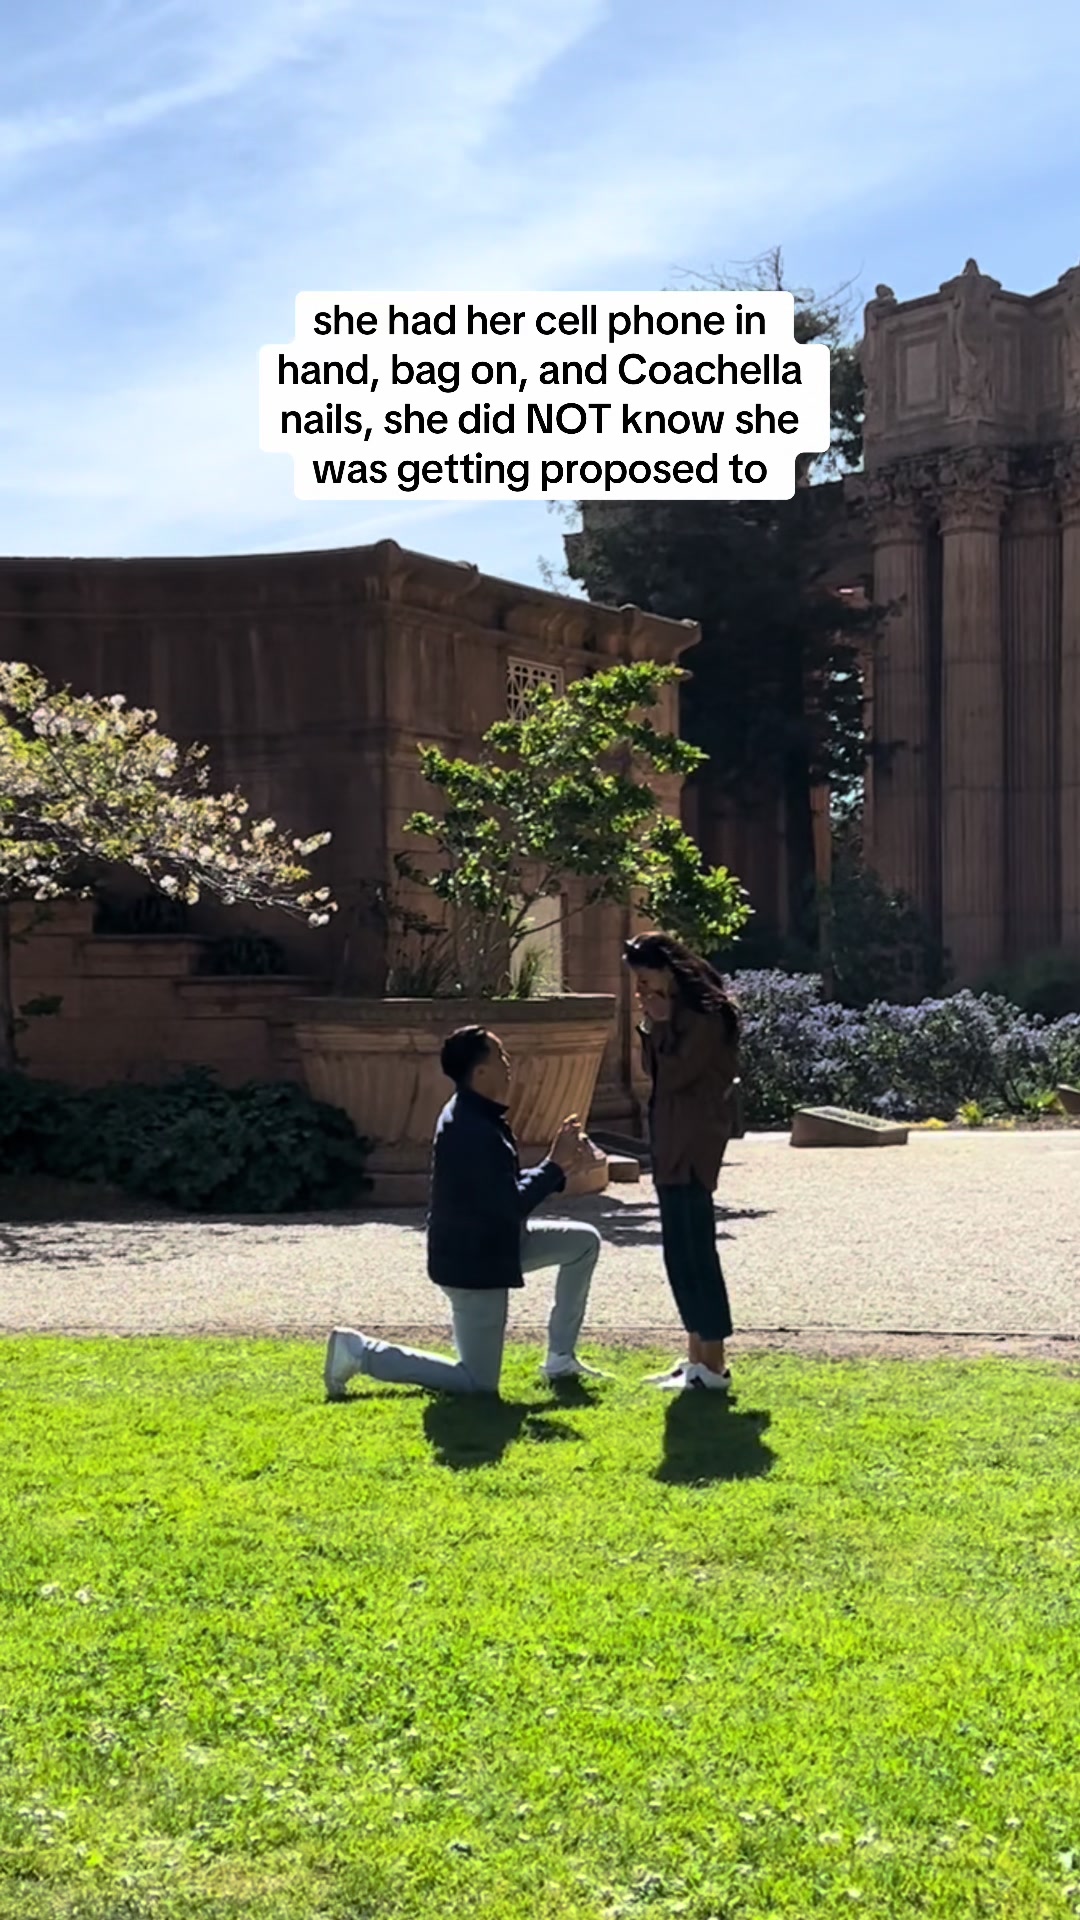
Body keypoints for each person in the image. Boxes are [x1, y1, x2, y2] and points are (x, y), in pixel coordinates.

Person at [324, 1025, 605, 1400]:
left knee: (583, 1244)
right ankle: (360, 1352)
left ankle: (559, 1359)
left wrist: (558, 1167)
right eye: (500, 1056)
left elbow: (499, 1190)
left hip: (495, 1244)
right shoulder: (471, 1128)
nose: (508, 1063)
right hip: (473, 1264)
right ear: (481, 1072)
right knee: (477, 1384)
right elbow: (509, 1205)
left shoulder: (475, 1115)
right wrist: (554, 1165)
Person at [624, 932, 739, 1393]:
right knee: (678, 1252)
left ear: (669, 973)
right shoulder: (674, 1016)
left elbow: (673, 1076)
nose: (640, 991)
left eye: (645, 980)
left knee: (696, 1252)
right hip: (670, 1143)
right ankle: (696, 1360)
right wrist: (656, 1023)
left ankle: (714, 1365)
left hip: (692, 1145)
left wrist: (658, 1024)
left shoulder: (706, 1017)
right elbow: (654, 1073)